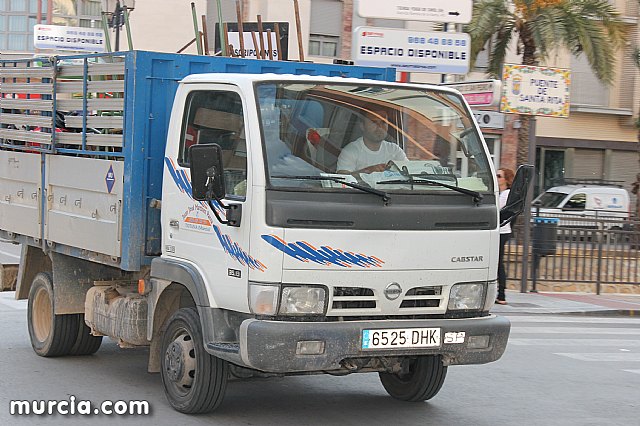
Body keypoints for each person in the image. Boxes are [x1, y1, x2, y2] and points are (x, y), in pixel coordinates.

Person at [336, 109, 407, 174]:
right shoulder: (350, 151)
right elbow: (342, 178)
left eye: (383, 122)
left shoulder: (394, 150)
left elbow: (411, 172)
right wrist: (367, 171)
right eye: (374, 122)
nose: (380, 126)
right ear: (362, 126)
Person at [496, 168, 515, 305]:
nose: (496, 178)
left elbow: (497, 209)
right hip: (501, 231)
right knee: (497, 262)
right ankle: (500, 294)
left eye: (499, 176)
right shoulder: (501, 193)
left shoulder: (506, 194)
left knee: (498, 262)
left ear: (506, 180)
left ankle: (502, 294)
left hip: (502, 232)